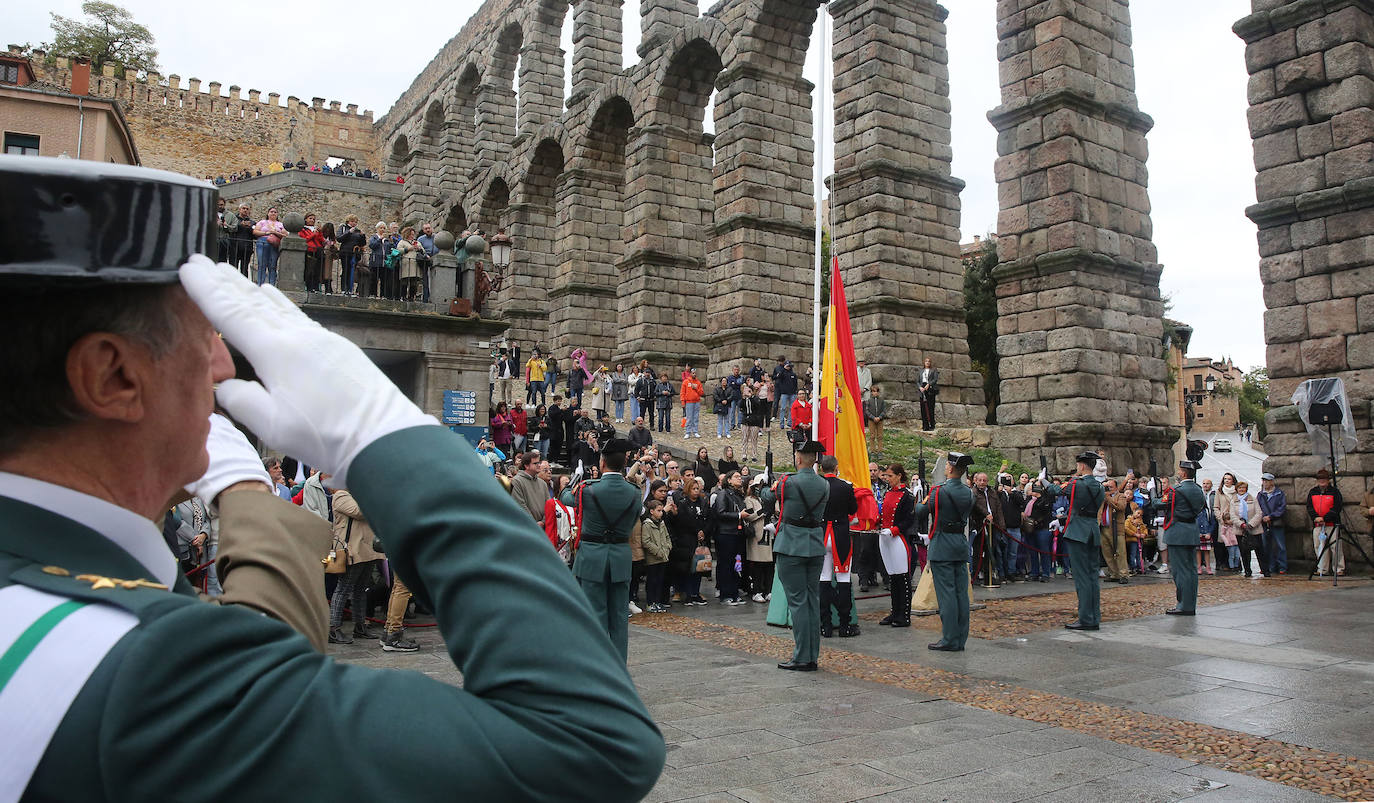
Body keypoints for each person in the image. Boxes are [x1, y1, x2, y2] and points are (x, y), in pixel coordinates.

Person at [561, 439, 642, 661]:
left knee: (594, 618)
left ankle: (595, 672)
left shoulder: (588, 489)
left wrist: (576, 478)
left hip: (592, 558)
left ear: (602, 462)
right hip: (620, 557)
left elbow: (564, 497)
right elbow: (635, 517)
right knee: (619, 620)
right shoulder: (635, 492)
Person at [759, 440, 829, 671]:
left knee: (798, 603)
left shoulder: (788, 482)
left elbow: (768, 499)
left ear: (798, 458)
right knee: (811, 601)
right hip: (815, 545)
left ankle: (801, 657)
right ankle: (812, 655)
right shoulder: (824, 484)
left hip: (792, 545)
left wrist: (767, 485)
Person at [912, 453, 976, 650]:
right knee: (961, 594)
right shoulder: (969, 492)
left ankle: (949, 639)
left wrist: (920, 497)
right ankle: (960, 639)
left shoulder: (939, 491)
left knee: (946, 595)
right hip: (960, 543)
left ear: (949, 468)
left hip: (942, 545)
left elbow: (920, 512)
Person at [1041, 452, 1107, 630]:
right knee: (1092, 576)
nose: (1077, 467)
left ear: (1083, 466)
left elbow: (1056, 490)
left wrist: (1043, 480)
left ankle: (1086, 618)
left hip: (1078, 531)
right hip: (1092, 531)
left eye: (1078, 465)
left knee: (1082, 578)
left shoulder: (1077, 484)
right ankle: (1094, 616)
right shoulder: (1100, 487)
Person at [819, 455, 860, 638]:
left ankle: (825, 625)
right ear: (836, 468)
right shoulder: (845, 486)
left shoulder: (818, 486)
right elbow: (852, 509)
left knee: (824, 578)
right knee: (843, 578)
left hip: (822, 534)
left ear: (822, 469)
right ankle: (845, 625)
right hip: (840, 535)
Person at [1162, 461, 1208, 615]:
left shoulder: (1176, 490)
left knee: (1179, 570)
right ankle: (1190, 603)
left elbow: (1160, 504)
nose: (1179, 473)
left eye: (1180, 470)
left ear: (1183, 473)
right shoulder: (1198, 490)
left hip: (1177, 532)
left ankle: (1183, 605)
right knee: (1191, 570)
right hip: (1191, 530)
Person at [711, 471, 748, 605]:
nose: (740, 479)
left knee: (737, 564)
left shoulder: (739, 495)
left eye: (740, 477)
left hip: (737, 534)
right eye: (736, 477)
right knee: (726, 564)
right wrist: (738, 515)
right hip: (726, 534)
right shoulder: (723, 494)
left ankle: (734, 592)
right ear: (729, 480)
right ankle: (725, 594)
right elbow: (720, 513)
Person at [1306, 468, 1345, 576]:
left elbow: (1337, 507)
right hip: (1318, 525)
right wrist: (1316, 517)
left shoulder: (1335, 492)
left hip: (1332, 524)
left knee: (1335, 547)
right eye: (1320, 479)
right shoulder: (1312, 492)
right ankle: (1322, 568)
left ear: (1328, 480)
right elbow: (1309, 507)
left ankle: (1338, 569)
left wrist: (1325, 518)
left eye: (1324, 479)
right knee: (1319, 547)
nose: (1322, 481)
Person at [743, 473, 773, 603]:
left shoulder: (765, 499)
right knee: (758, 565)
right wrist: (761, 512)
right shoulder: (749, 500)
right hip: (757, 535)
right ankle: (757, 590)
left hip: (768, 534)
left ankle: (768, 590)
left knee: (769, 565)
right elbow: (748, 515)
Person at [1232, 480, 1266, 577]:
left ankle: (1264, 569)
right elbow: (1232, 515)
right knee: (1244, 551)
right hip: (1240, 530)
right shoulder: (1233, 501)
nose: (1241, 490)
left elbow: (1259, 513)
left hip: (1254, 529)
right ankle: (1247, 570)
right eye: (1240, 488)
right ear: (1237, 489)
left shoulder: (1253, 499)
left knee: (1259, 550)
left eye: (1243, 488)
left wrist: (1250, 524)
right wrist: (1241, 524)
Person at [1258, 472, 1288, 575]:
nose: (1264, 483)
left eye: (1266, 481)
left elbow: (1281, 508)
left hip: (1276, 522)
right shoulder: (1261, 494)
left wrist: (1271, 516)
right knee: (1266, 546)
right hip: (1264, 524)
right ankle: (1269, 566)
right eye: (1263, 481)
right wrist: (1263, 517)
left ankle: (1282, 566)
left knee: (1280, 546)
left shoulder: (1279, 494)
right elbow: (1258, 508)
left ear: (1271, 482)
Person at [252, 207, 286, 286]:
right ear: (268, 213)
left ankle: (272, 285)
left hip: (274, 244)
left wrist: (275, 233)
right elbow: (255, 231)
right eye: (271, 211)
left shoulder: (280, 224)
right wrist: (267, 233)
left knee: (273, 265)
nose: (273, 213)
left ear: (277, 214)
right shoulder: (262, 222)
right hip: (262, 242)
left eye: (275, 212)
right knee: (262, 264)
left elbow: (285, 235)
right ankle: (260, 284)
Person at [740, 384, 765, 462]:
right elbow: (740, 406)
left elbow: (758, 406)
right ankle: (744, 454)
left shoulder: (755, 398)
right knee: (744, 438)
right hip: (745, 421)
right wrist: (744, 398)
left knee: (754, 439)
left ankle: (754, 455)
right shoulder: (743, 399)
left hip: (754, 421)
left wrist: (751, 396)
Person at [863, 385, 888, 454]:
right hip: (871, 420)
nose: (875, 393)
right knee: (872, 436)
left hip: (880, 420)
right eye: (873, 391)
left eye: (876, 391)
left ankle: (880, 451)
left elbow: (884, 410)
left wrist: (879, 417)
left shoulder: (881, 401)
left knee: (880, 436)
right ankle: (872, 451)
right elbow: (867, 411)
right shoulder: (869, 401)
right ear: (871, 392)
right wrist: (873, 417)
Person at [918, 357, 939, 431]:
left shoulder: (934, 370)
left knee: (930, 407)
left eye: (929, 361)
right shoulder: (921, 371)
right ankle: (925, 426)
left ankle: (932, 425)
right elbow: (917, 381)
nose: (927, 362)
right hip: (922, 389)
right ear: (924, 362)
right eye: (926, 361)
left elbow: (935, 379)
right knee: (923, 408)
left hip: (930, 389)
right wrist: (920, 387)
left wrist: (929, 384)